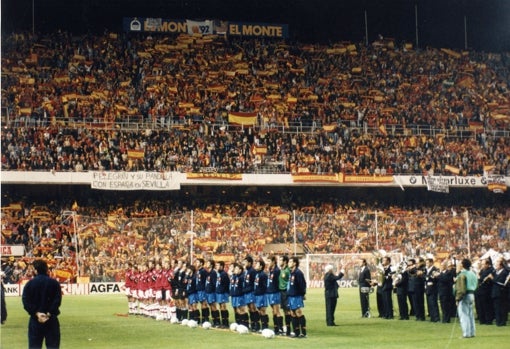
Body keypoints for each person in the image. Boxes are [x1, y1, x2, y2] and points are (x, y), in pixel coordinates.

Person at [22, 259, 62, 349]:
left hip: (35, 320)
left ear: (35, 270)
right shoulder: (54, 283)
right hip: (51, 320)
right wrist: (48, 313)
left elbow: (26, 302)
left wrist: (37, 313)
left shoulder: (29, 284)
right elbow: (57, 301)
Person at [454, 258, 477, 338]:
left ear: (463, 265)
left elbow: (461, 288)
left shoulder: (462, 275)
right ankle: (472, 332)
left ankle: (466, 333)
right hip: (472, 294)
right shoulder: (473, 273)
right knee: (470, 315)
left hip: (464, 295)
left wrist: (458, 298)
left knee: (464, 315)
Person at [287, 256, 307, 338]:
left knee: (298, 312)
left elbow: (303, 285)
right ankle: (296, 332)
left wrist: (302, 294)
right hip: (291, 296)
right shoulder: (292, 272)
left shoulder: (298, 273)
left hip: (297, 296)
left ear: (295, 263)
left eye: (290, 262)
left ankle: (303, 333)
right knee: (292, 313)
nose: (289, 263)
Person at [424, 258, 440, 322]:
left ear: (431, 263)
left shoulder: (435, 269)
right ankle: (432, 317)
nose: (426, 264)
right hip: (428, 288)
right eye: (426, 263)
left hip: (433, 288)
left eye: (428, 263)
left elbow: (434, 279)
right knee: (430, 304)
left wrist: (428, 278)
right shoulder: (426, 270)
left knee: (434, 303)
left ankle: (436, 318)